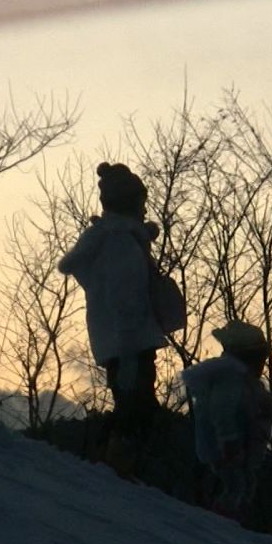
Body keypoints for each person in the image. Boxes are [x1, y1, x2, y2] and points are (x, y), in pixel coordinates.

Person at [58, 162, 166, 478]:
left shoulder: (115, 237)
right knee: (137, 408)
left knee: (135, 404)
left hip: (120, 337)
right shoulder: (119, 241)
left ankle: (113, 465)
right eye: (140, 202)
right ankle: (113, 468)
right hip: (128, 338)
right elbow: (125, 293)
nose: (145, 208)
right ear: (130, 203)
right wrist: (131, 338)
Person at [181, 320, 272, 523]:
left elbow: (255, 405)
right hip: (229, 448)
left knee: (243, 486)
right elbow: (222, 411)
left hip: (241, 448)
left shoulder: (245, 382)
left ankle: (232, 522)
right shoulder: (230, 381)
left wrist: (268, 410)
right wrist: (229, 440)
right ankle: (223, 524)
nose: (263, 364)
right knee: (236, 487)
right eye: (260, 358)